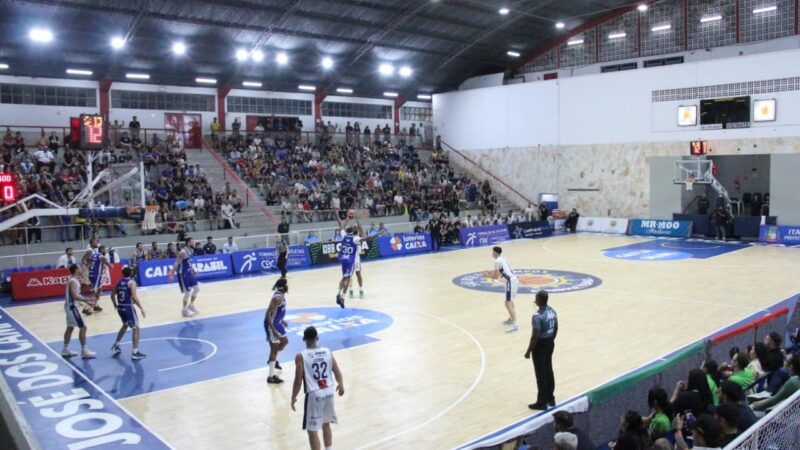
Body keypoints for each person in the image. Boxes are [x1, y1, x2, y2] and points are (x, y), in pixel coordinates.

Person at [291, 326, 345, 450]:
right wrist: (341, 384)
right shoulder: (327, 352)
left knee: (312, 430)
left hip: (314, 394)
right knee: (326, 425)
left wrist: (293, 397)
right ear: (317, 337)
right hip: (329, 392)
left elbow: (298, 381)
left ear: (304, 339)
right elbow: (337, 373)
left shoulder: (301, 356)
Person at [525, 290, 557, 410]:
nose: (535, 299)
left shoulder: (537, 316)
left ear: (539, 300)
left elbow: (535, 336)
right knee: (549, 370)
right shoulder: (552, 311)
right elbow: (556, 327)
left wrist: (529, 351)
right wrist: (551, 339)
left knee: (541, 374)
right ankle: (551, 398)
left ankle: (541, 402)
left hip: (540, 345)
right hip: (550, 342)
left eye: (536, 297)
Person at [110, 267, 147, 360]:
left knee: (125, 325)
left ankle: (117, 344)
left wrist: (115, 304)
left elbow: (112, 295)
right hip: (128, 307)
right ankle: (135, 352)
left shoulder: (118, 282)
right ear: (130, 273)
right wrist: (141, 308)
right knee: (136, 328)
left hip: (120, 307)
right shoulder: (132, 283)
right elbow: (134, 297)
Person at [61, 264, 97, 359]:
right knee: (83, 327)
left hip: (71, 306)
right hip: (73, 307)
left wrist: (87, 302)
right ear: (76, 270)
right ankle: (84, 350)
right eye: (80, 268)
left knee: (70, 327)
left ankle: (65, 349)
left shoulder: (74, 280)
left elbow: (76, 296)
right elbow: (75, 296)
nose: (82, 269)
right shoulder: (73, 281)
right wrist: (87, 299)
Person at [483, 246, 519, 333]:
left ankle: (515, 324)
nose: (492, 253)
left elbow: (496, 276)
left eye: (492, 252)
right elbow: (499, 272)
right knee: (510, 301)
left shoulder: (496, 261)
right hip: (514, 279)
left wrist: (487, 275)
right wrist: (490, 272)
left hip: (510, 281)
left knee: (507, 303)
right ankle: (511, 318)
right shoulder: (503, 259)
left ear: (495, 252)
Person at [334, 211, 364, 307]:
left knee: (356, 274)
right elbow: (364, 235)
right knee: (348, 277)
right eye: (354, 227)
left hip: (353, 258)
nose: (355, 227)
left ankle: (360, 289)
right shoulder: (355, 239)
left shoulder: (352, 237)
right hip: (351, 258)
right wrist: (356, 220)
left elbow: (341, 225)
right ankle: (348, 291)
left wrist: (347, 218)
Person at [168, 237, 200, 318]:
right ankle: (184, 310)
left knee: (196, 288)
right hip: (183, 274)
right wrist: (171, 274)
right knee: (187, 293)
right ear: (188, 242)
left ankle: (191, 305)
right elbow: (176, 263)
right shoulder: (183, 252)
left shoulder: (191, 250)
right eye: (193, 241)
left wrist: (193, 269)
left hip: (189, 272)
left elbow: (189, 261)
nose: (194, 243)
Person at [266, 278, 290, 384]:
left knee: (285, 342)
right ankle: (271, 376)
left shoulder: (281, 295)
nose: (288, 286)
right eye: (287, 285)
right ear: (284, 287)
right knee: (274, 349)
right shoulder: (277, 298)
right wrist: (273, 330)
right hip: (274, 326)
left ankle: (273, 360)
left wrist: (282, 320)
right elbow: (269, 315)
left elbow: (277, 312)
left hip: (278, 323)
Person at [84, 244, 111, 315]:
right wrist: (110, 265)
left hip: (91, 274)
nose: (105, 251)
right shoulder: (101, 255)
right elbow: (105, 260)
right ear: (102, 250)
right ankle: (87, 308)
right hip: (96, 275)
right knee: (94, 292)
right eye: (105, 249)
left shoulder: (93, 255)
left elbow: (87, 260)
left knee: (99, 289)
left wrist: (87, 266)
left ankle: (95, 305)